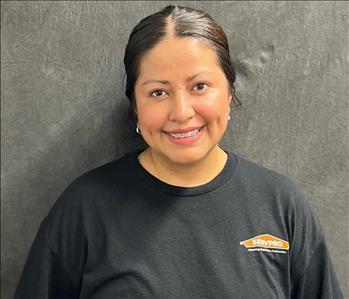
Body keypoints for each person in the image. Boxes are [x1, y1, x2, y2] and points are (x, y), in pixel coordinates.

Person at [15, 5, 343, 299]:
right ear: (136, 109)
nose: (181, 112)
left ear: (229, 93)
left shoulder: (282, 206)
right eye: (158, 92)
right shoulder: (84, 209)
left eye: (199, 86)